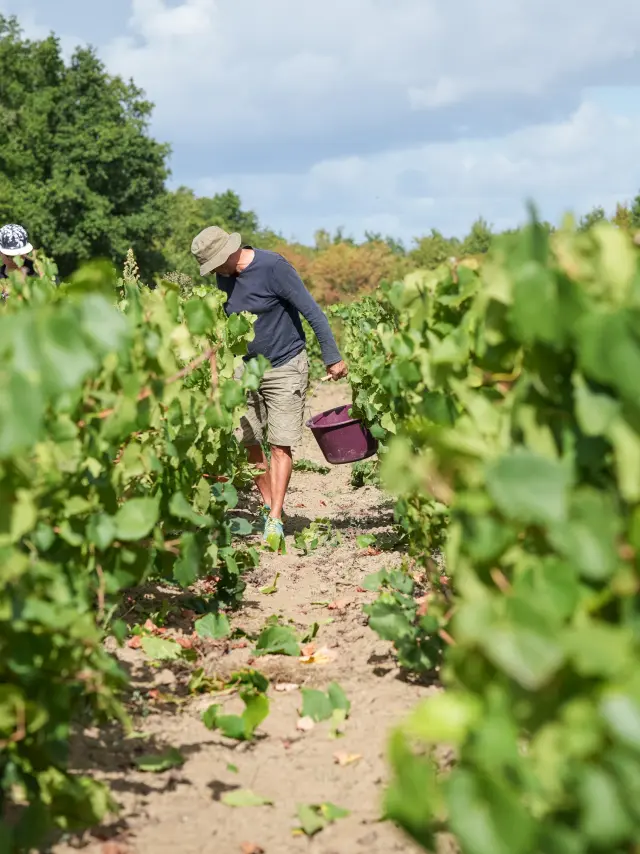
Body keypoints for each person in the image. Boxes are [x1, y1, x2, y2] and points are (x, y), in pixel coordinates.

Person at [191, 225, 348, 550]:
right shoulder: (225, 276)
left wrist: (332, 357)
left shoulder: (274, 267)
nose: (215, 272)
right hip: (245, 369)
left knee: (280, 444)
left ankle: (275, 516)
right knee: (249, 441)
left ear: (228, 253)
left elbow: (312, 313)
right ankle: (268, 504)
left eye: (216, 264)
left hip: (285, 364)